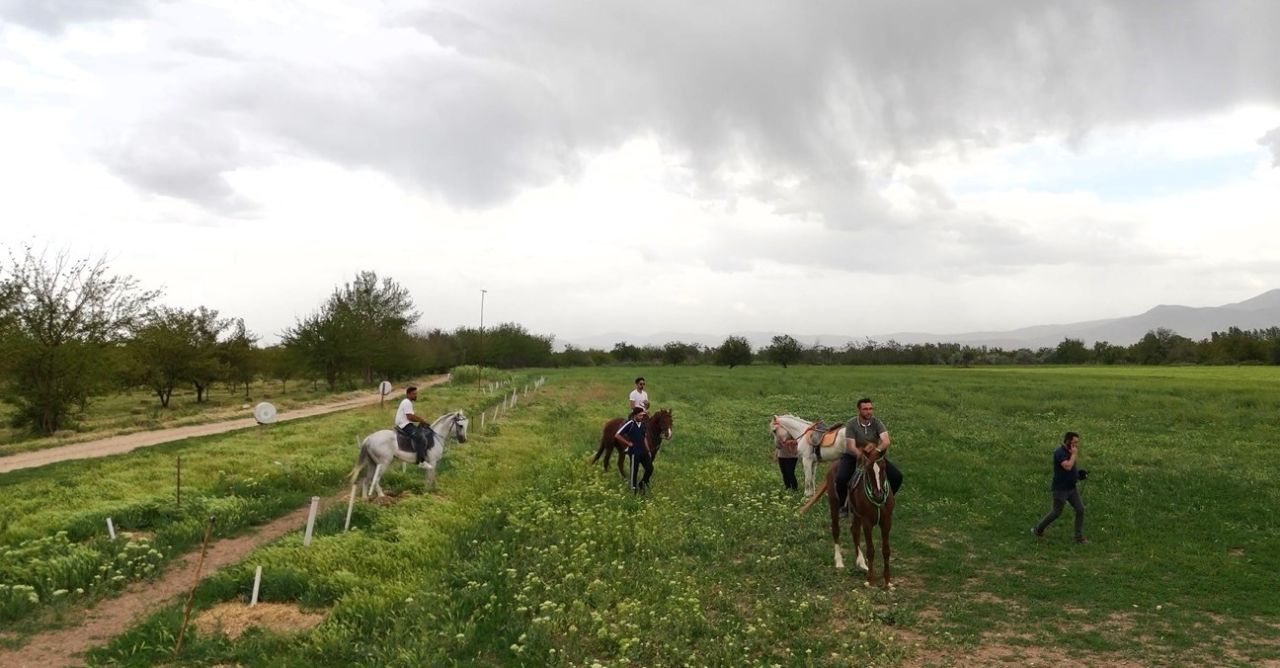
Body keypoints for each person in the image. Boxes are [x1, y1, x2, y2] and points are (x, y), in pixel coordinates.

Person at [835, 397, 901, 516]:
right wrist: (860, 454)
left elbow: (886, 441)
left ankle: (886, 499)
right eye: (865, 409)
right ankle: (842, 507)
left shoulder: (877, 422)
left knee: (897, 477)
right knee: (841, 478)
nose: (869, 411)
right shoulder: (851, 424)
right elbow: (851, 445)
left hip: (873, 456)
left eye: (870, 408)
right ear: (859, 410)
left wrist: (877, 450)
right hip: (853, 456)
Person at [1033, 431, 1088, 543]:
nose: (1076, 445)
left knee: (1080, 509)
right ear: (1068, 441)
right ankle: (1038, 529)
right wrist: (1074, 455)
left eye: (1077, 443)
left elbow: (1071, 469)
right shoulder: (1060, 452)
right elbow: (1067, 466)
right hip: (1061, 489)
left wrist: (1078, 475)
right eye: (1074, 442)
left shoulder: (1070, 451)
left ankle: (1078, 536)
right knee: (1056, 512)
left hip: (1072, 488)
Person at [394, 386, 434, 469]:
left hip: (406, 423)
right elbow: (410, 417)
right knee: (421, 438)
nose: (415, 395)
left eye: (416, 394)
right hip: (404, 425)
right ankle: (421, 461)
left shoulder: (407, 402)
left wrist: (421, 421)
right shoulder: (407, 402)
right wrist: (422, 420)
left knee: (422, 431)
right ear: (408, 394)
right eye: (413, 394)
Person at [615, 406, 652, 493]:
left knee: (650, 468)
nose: (641, 417)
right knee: (634, 471)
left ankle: (642, 483)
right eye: (640, 416)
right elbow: (617, 435)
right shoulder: (630, 424)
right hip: (634, 452)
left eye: (642, 416)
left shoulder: (643, 425)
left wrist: (648, 450)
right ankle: (633, 490)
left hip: (643, 452)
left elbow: (644, 438)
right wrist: (627, 443)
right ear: (635, 415)